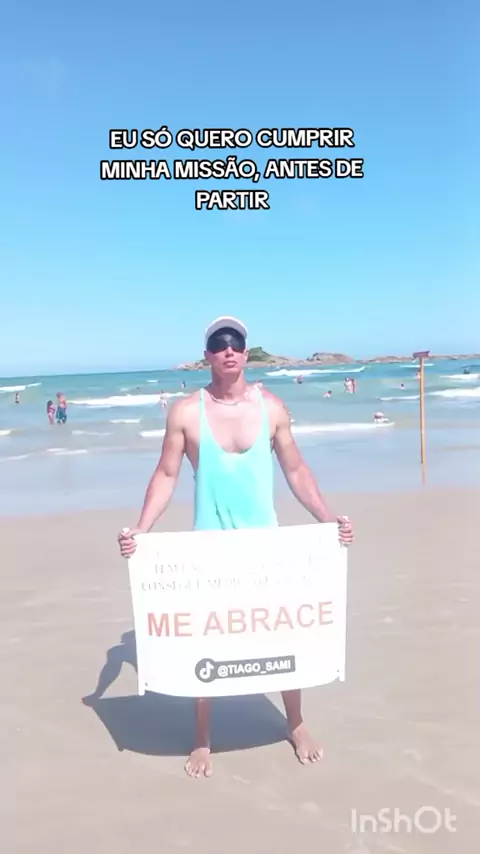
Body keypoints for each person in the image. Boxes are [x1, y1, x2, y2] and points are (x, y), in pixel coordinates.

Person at [118, 316, 354, 778]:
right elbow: (166, 473)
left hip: (266, 545)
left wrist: (328, 520)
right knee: (207, 639)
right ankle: (203, 738)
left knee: (281, 632)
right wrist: (141, 529)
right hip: (210, 548)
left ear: (246, 353)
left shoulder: (272, 408)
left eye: (236, 343)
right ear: (207, 354)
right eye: (219, 343)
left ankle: (296, 723)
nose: (228, 350)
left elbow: (296, 470)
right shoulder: (186, 412)